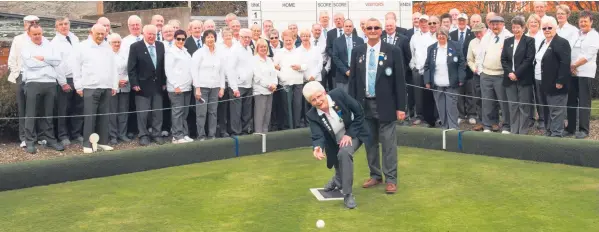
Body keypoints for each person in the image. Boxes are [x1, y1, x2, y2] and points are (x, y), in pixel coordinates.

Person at [348, 18, 406, 194]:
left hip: (386, 104)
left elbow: (400, 81)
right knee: (370, 143)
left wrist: (401, 107)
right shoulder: (357, 51)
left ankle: (391, 179)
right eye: (369, 28)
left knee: (388, 144)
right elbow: (353, 82)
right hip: (364, 104)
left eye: (376, 27)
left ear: (381, 30)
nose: (372, 30)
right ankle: (375, 175)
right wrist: (352, 106)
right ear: (364, 30)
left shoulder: (393, 50)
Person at [304, 81, 372, 209]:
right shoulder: (312, 115)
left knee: (344, 152)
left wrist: (349, 134)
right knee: (339, 159)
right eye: (313, 100)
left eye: (319, 96)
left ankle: (347, 194)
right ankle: (338, 179)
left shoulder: (339, 94)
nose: (318, 101)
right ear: (310, 103)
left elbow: (359, 112)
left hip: (355, 132)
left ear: (324, 92)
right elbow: (317, 135)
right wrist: (317, 147)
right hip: (334, 141)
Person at [21, 24, 67, 154]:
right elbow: (29, 63)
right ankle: (30, 141)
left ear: (42, 32)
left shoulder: (50, 45)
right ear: (30, 34)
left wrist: (43, 58)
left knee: (48, 113)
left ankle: (50, 139)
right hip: (33, 82)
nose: (37, 36)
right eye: (34, 34)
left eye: (39, 34)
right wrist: (48, 61)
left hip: (50, 82)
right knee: (31, 114)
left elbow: (57, 60)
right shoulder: (25, 47)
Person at [73, 24, 118, 153]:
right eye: (97, 33)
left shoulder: (107, 47)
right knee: (90, 117)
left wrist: (114, 85)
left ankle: (102, 142)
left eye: (102, 34)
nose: (100, 36)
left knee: (104, 116)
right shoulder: (82, 47)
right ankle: (87, 144)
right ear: (91, 33)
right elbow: (76, 67)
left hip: (106, 86)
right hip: (89, 87)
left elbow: (113, 67)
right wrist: (78, 86)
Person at [127, 24, 167, 146]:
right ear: (144, 34)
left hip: (158, 86)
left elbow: (163, 66)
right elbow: (131, 68)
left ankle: (156, 134)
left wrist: (164, 82)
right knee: (143, 113)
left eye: (154, 34)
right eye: (149, 34)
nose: (151, 36)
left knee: (157, 112)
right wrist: (134, 83)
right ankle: (143, 135)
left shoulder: (160, 45)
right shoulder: (135, 47)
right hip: (142, 86)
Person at [423, 26, 466, 129]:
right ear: (437, 36)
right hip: (437, 84)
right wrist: (427, 81)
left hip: (451, 83)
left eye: (443, 35)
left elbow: (461, 63)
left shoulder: (456, 46)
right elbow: (427, 66)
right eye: (439, 35)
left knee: (451, 108)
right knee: (441, 108)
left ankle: (453, 129)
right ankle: (444, 127)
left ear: (447, 36)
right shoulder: (431, 48)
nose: (441, 37)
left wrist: (461, 78)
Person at [535, 16, 571, 137]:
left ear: (555, 27)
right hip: (542, 82)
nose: (547, 30)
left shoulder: (562, 42)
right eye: (544, 28)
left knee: (556, 111)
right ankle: (549, 132)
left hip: (556, 83)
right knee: (546, 109)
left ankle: (556, 135)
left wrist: (560, 80)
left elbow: (565, 63)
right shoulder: (543, 42)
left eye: (549, 27)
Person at [476, 16, 513, 134]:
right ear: (490, 25)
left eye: (497, 24)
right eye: (493, 24)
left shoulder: (509, 36)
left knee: (503, 102)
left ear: (503, 24)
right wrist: (480, 70)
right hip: (486, 74)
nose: (495, 27)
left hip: (501, 74)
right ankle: (488, 125)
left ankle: (506, 126)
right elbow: (480, 54)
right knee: (487, 102)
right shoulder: (486, 36)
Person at [565, 11, 598, 139]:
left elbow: (588, 55)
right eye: (581, 21)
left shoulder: (594, 36)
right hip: (572, 73)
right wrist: (570, 67)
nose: (583, 23)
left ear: (591, 22)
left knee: (584, 101)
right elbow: (569, 50)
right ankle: (571, 128)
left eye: (585, 21)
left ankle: (584, 130)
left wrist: (574, 66)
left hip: (585, 73)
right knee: (571, 101)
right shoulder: (576, 34)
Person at [51, 16, 83, 146]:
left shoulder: (75, 39)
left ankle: (76, 134)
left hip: (78, 78)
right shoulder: (54, 43)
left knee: (78, 108)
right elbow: (57, 64)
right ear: (56, 27)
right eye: (61, 24)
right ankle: (63, 135)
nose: (64, 26)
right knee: (63, 109)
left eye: (66, 24)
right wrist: (63, 82)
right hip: (65, 79)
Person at [500, 16, 535, 135]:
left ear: (523, 28)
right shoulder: (507, 41)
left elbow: (529, 59)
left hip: (523, 78)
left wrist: (516, 73)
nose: (515, 29)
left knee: (523, 106)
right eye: (513, 27)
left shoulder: (530, 41)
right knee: (513, 105)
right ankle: (514, 131)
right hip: (509, 79)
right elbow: (503, 59)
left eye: (518, 27)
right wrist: (510, 73)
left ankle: (523, 131)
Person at [191, 29, 226, 140]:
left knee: (213, 112)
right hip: (202, 88)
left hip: (215, 87)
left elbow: (222, 71)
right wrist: (197, 88)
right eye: (208, 37)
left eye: (212, 37)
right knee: (201, 113)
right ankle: (201, 135)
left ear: (215, 38)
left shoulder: (219, 53)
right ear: (204, 39)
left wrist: (222, 87)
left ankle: (212, 135)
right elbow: (194, 71)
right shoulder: (198, 53)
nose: (210, 39)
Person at [165, 29, 194, 144]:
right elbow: (168, 71)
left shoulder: (186, 52)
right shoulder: (171, 52)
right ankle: (176, 136)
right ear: (174, 39)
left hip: (187, 87)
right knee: (177, 112)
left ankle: (184, 134)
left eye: (183, 39)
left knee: (184, 112)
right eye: (178, 39)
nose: (181, 41)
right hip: (176, 88)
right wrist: (175, 85)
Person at [107, 33, 132, 145]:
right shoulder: (106, 54)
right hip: (112, 86)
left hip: (125, 86)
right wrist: (116, 82)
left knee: (123, 111)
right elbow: (106, 71)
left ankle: (122, 134)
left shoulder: (125, 53)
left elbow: (130, 68)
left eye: (118, 42)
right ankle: (113, 136)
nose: (117, 44)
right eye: (114, 42)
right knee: (112, 112)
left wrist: (125, 80)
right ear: (109, 43)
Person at [252, 39, 278, 133]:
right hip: (260, 91)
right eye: (261, 47)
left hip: (270, 91)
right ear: (257, 48)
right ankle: (259, 134)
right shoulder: (254, 60)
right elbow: (257, 77)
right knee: (260, 115)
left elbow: (274, 74)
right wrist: (268, 85)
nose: (263, 48)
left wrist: (274, 84)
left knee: (267, 114)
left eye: (265, 47)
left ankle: (265, 134)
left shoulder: (269, 60)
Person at [332, 19, 364, 92]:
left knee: (355, 99)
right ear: (343, 27)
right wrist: (345, 71)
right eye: (346, 26)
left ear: (353, 28)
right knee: (343, 98)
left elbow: (362, 57)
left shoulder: (360, 40)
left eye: (350, 26)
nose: (348, 28)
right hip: (342, 75)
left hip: (356, 74)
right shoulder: (337, 41)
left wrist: (354, 69)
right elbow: (335, 57)